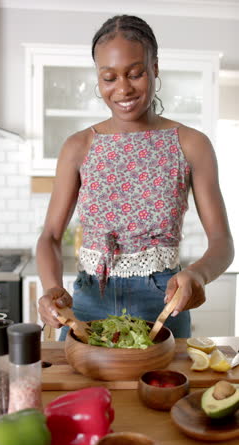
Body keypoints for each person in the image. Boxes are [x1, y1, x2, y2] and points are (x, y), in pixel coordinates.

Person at [36, 14, 234, 341]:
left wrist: (197, 274)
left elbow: (223, 243)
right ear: (98, 80)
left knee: (162, 391)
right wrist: (52, 289)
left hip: (162, 303)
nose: (123, 88)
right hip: (87, 304)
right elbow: (50, 237)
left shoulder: (191, 144)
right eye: (109, 77)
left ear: (154, 67)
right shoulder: (77, 146)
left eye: (135, 73)